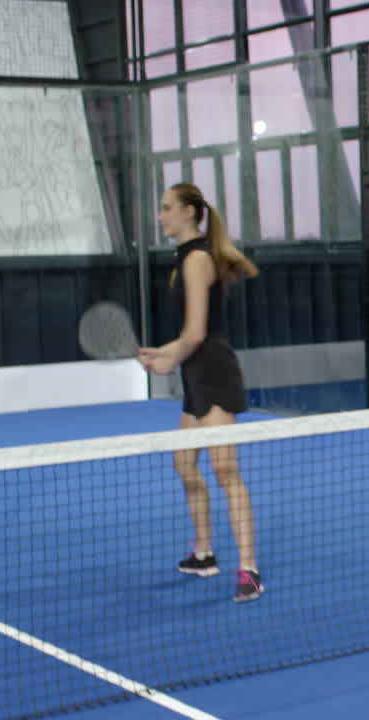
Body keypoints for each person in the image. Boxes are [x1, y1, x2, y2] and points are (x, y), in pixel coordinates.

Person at [139, 183, 263, 603]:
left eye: (166, 208)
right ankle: (204, 553)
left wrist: (171, 357)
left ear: (190, 212)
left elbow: (195, 335)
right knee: (183, 462)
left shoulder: (195, 261)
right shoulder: (184, 262)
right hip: (196, 373)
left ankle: (248, 569)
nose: (160, 217)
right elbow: (190, 335)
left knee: (225, 470)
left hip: (213, 374)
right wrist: (164, 353)